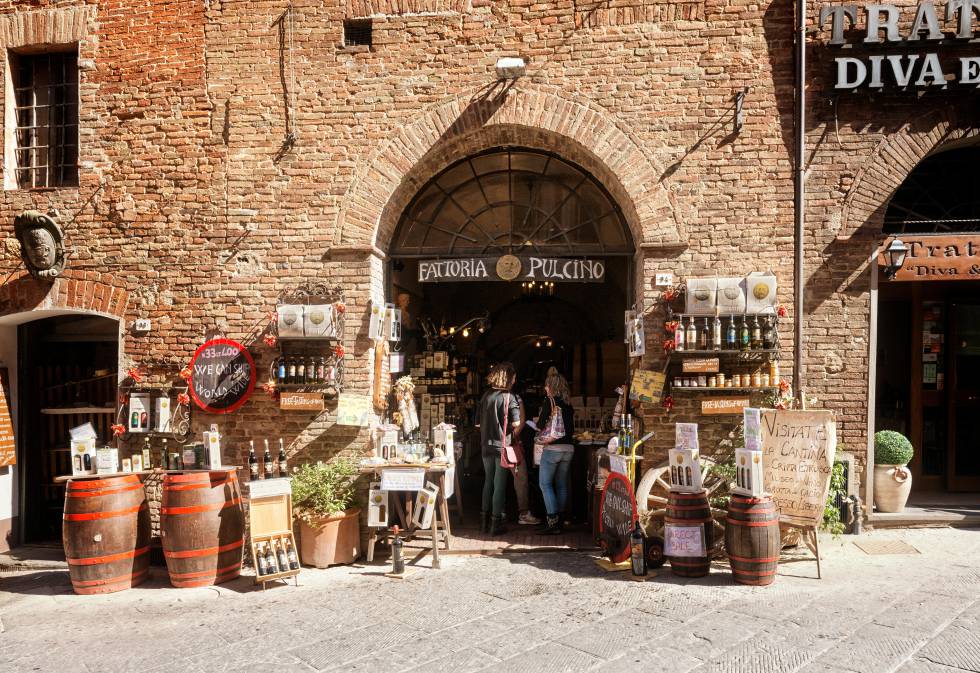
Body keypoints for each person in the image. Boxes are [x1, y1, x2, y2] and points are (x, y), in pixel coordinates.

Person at [476, 362, 521, 536]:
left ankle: (483, 522)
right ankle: (495, 523)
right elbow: (516, 423)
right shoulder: (509, 397)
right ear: (509, 378)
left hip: (485, 444)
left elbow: (478, 423)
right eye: (514, 376)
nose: (515, 379)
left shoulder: (486, 396)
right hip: (502, 446)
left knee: (488, 481)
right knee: (499, 484)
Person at [535, 367, 575, 535]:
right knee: (561, 485)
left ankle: (552, 521)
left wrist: (537, 426)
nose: (545, 388)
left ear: (551, 386)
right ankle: (561, 520)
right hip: (568, 449)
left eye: (546, 386)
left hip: (553, 448)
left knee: (545, 484)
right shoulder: (568, 403)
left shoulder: (549, 402)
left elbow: (541, 423)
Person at [511, 397, 541, 525]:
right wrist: (521, 403)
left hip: (494, 445)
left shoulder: (489, 398)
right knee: (521, 479)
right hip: (511, 446)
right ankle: (523, 513)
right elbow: (520, 422)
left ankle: (495, 514)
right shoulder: (513, 398)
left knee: (496, 481)